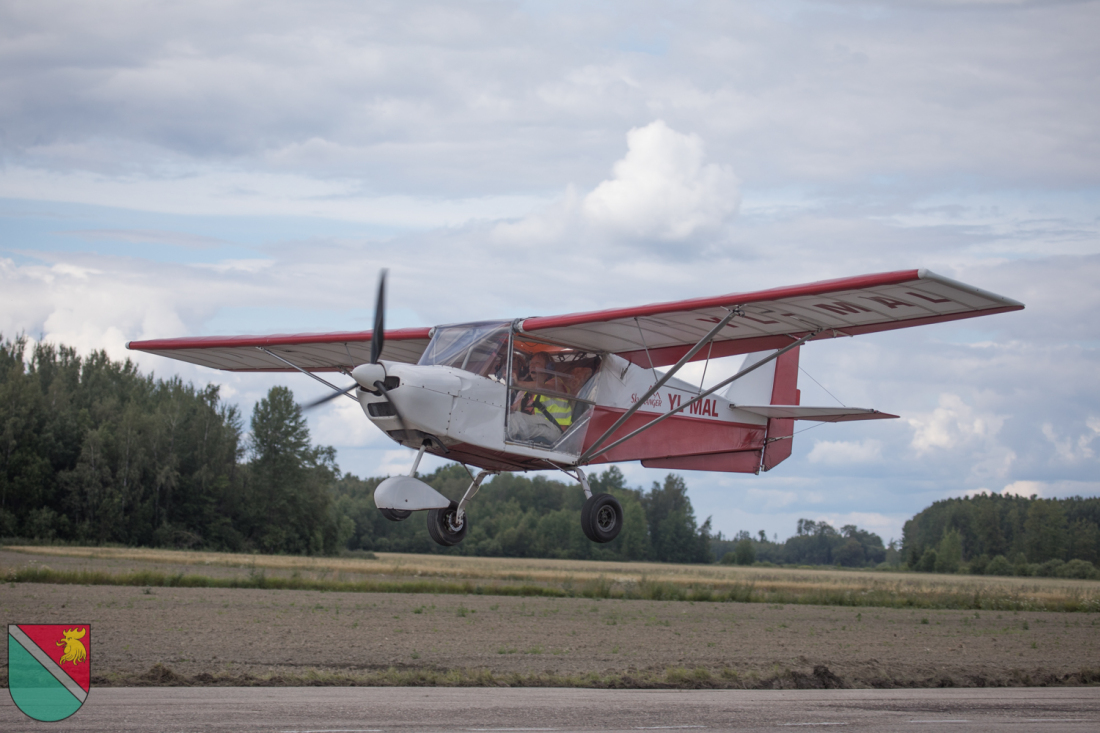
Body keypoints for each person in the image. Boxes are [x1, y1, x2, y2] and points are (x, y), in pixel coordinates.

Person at [508, 352, 572, 444]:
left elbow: (543, 388)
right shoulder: (527, 392)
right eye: (531, 363)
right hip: (538, 425)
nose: (532, 366)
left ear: (549, 367)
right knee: (507, 418)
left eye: (537, 363)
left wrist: (517, 383)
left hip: (555, 430)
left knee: (514, 420)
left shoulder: (557, 384)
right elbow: (514, 408)